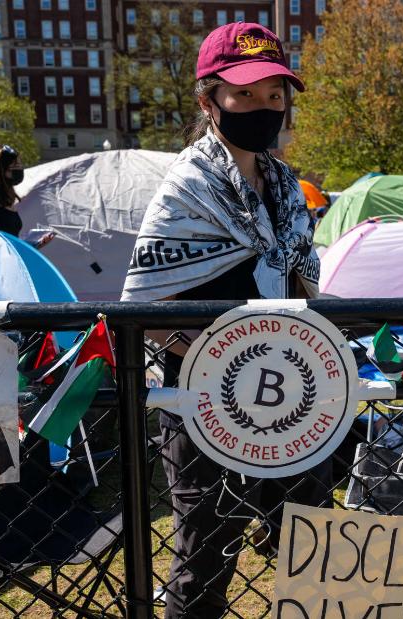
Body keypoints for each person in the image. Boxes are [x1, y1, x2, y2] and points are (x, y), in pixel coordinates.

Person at [120, 22, 328, 618]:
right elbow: (142, 310)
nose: (264, 107)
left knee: (306, 541)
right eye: (245, 94)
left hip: (295, 392)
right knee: (206, 557)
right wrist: (220, 354)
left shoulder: (287, 186)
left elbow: (304, 284)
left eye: (275, 94)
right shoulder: (188, 186)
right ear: (209, 101)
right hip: (206, 403)